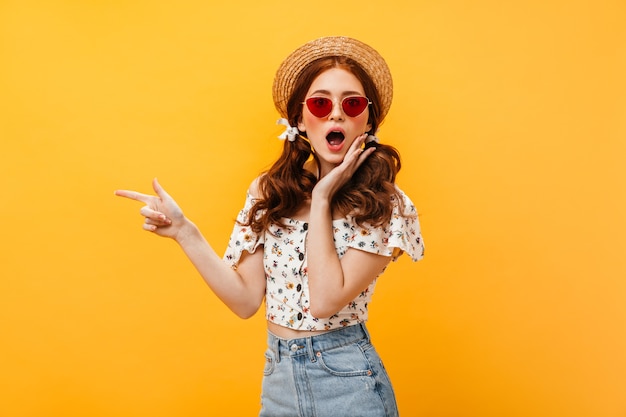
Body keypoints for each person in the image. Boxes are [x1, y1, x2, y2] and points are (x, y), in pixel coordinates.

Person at [115, 36, 424, 417]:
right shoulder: (270, 192)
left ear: (368, 119)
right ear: (298, 118)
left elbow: (325, 300)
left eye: (353, 103)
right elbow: (245, 301)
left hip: (349, 383)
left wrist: (323, 197)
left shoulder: (384, 205)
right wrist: (184, 232)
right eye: (321, 103)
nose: (337, 114)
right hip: (279, 382)